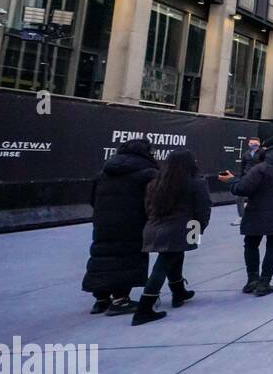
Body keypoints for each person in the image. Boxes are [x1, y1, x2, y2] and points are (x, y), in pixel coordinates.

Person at [219, 130, 273, 296]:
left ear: (268, 149)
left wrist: (231, 180)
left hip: (256, 212)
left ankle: (252, 279)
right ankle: (265, 282)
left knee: (251, 244)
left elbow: (242, 188)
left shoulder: (261, 168)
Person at [81, 138, 158, 316]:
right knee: (127, 259)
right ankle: (120, 299)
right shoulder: (147, 173)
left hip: (104, 222)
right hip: (133, 222)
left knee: (102, 255)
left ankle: (101, 299)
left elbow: (93, 199)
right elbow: (152, 201)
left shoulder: (104, 173)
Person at [135, 149, 211, 326]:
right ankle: (145, 306)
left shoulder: (156, 183)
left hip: (154, 227)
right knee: (165, 261)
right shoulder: (196, 182)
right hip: (183, 227)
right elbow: (203, 208)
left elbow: (148, 207)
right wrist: (199, 228)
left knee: (174, 255)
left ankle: (179, 291)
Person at [233, 137, 261, 226]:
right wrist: (241, 179)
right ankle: (241, 217)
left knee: (256, 199)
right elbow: (242, 167)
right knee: (238, 197)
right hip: (246, 178)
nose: (253, 145)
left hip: (258, 179)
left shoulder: (263, 154)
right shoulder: (245, 154)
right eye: (251, 143)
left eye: (255, 143)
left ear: (259, 144)